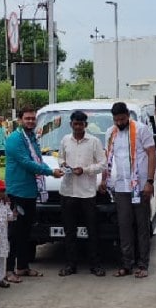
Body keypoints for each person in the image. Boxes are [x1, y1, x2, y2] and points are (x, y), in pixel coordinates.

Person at [4, 106, 63, 281]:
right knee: (14, 233)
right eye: (27, 118)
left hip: (31, 192)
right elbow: (26, 162)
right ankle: (8, 270)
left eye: (32, 118)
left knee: (25, 233)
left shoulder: (32, 138)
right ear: (20, 120)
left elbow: (37, 159)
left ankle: (22, 267)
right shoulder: (15, 139)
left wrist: (51, 170)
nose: (30, 121)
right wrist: (51, 172)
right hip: (17, 192)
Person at [100, 101, 156, 278]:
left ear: (128, 115)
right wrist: (104, 179)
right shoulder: (111, 132)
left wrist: (149, 181)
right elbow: (107, 157)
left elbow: (151, 153)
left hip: (140, 186)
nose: (120, 122)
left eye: (122, 119)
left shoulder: (141, 129)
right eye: (116, 120)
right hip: (121, 186)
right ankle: (127, 263)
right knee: (124, 226)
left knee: (141, 225)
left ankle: (143, 264)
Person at [57, 110, 106, 277]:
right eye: (75, 124)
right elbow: (60, 158)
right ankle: (70, 265)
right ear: (71, 124)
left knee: (92, 231)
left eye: (81, 124)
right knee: (69, 232)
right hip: (68, 192)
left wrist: (84, 170)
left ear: (86, 125)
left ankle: (95, 265)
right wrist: (63, 164)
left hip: (87, 194)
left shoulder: (94, 142)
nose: (78, 127)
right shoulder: (65, 140)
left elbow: (102, 164)